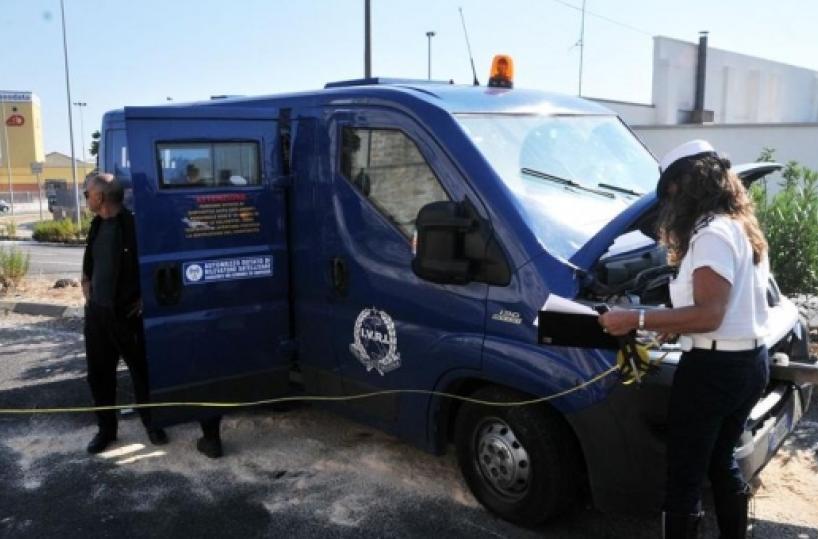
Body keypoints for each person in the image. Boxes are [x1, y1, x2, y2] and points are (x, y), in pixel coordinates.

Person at [599, 140, 769, 539]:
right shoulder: (741, 226)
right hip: (748, 363)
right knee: (720, 460)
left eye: (670, 192)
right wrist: (672, 323)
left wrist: (634, 317)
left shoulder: (711, 234)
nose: (669, 204)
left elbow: (711, 314)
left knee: (684, 478)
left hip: (714, 371)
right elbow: (729, 308)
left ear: (687, 185)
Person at [81, 173, 168, 453]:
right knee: (99, 375)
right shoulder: (96, 224)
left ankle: (153, 424)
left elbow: (158, 264)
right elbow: (92, 258)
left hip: (126, 315)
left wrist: (146, 296)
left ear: (101, 197)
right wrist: (85, 277)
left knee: (141, 373)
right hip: (97, 315)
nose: (86, 197)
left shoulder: (133, 226)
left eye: (87, 193)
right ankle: (106, 430)